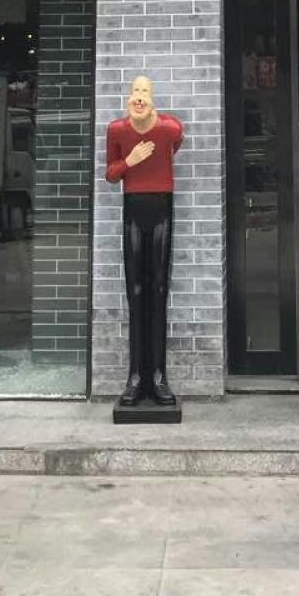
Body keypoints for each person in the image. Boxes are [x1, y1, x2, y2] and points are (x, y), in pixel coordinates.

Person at [105, 74, 183, 408]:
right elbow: (111, 175)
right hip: (133, 210)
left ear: (153, 98)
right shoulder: (117, 130)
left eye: (145, 92)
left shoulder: (169, 129)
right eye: (135, 91)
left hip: (161, 207)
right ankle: (136, 377)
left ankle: (159, 377)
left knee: (159, 290)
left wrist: (149, 126)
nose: (139, 97)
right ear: (128, 95)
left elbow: (174, 142)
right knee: (135, 291)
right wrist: (130, 161)